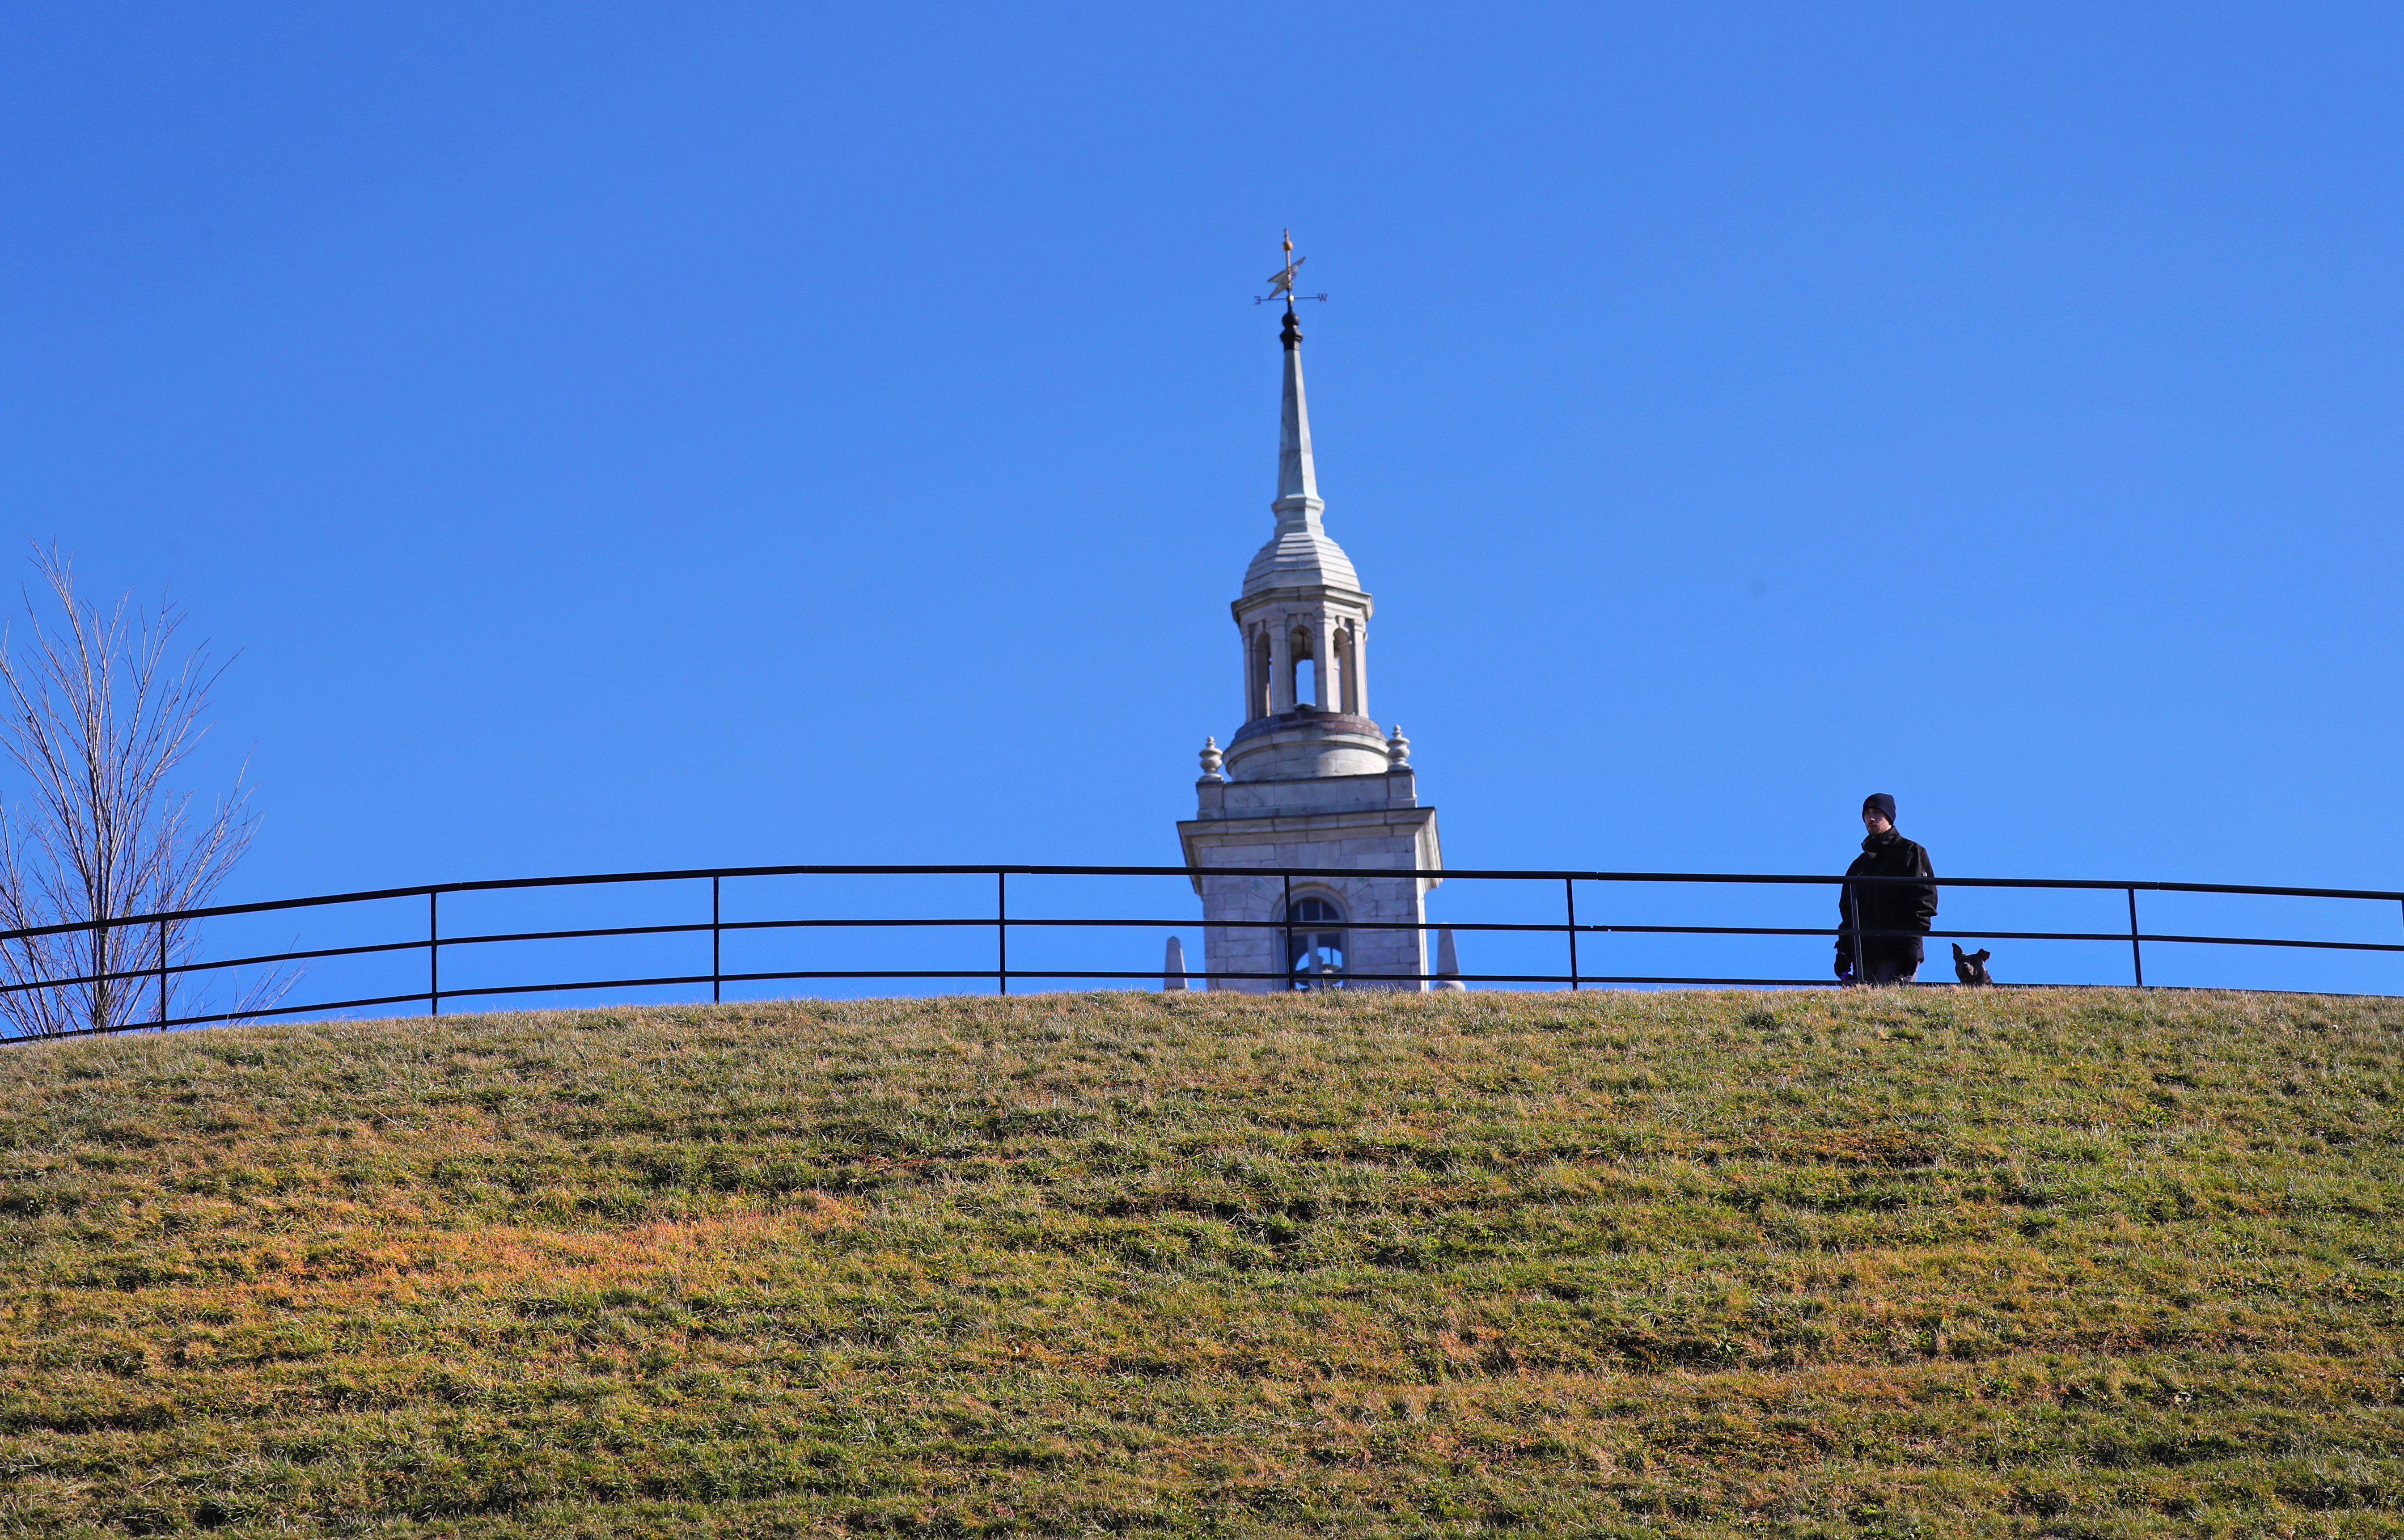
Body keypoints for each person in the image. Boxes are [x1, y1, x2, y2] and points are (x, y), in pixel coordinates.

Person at [1836, 793, 1937, 986]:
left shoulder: (1912, 852)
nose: (1871, 818)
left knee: (1893, 1009)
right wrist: (1843, 951)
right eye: (1867, 813)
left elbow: (1924, 901)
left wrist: (1912, 944)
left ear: (1890, 817)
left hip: (1898, 952)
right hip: (1864, 954)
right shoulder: (1859, 865)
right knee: (1860, 1013)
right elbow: (1848, 913)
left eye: (1877, 812)